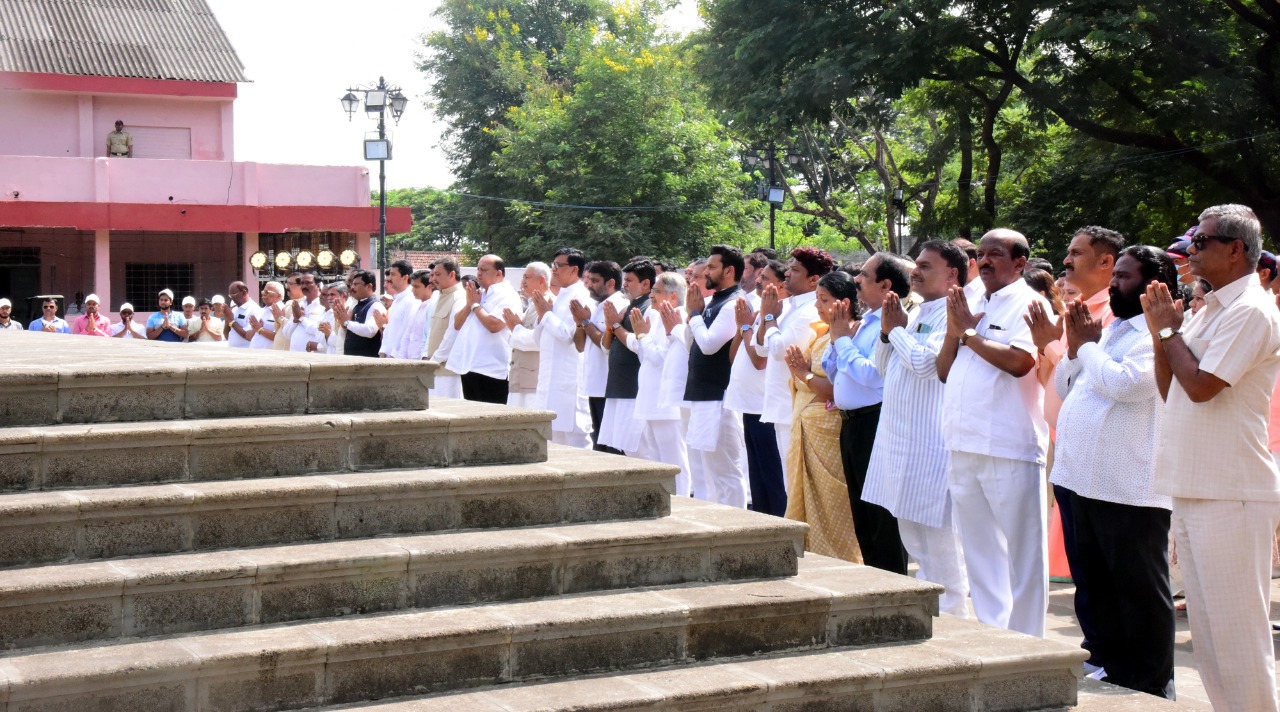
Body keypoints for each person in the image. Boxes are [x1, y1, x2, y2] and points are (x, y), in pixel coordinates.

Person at [1145, 204, 1280, 711]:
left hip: (1231, 492)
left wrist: (1165, 331)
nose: (1191, 250)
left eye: (1201, 242)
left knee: (1239, 639)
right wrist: (1167, 332)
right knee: (1211, 640)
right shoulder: (1212, 309)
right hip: (1197, 485)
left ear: (1236, 249)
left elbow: (1201, 388)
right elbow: (1171, 390)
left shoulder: (1251, 310)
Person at [1053, 244, 1178, 698]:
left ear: (1153, 285)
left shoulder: (1156, 335)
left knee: (1139, 589)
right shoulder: (1111, 328)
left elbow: (1127, 385)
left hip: (1129, 485)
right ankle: (1109, 662)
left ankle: (1151, 681)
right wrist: (1075, 350)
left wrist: (1086, 349)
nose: (1114, 284)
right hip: (1080, 478)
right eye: (1116, 276)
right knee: (1095, 582)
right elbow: (1067, 386)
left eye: (1124, 276)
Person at [938, 228, 1051, 638]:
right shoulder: (966, 299)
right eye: (981, 254)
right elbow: (944, 370)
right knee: (980, 551)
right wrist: (956, 333)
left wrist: (969, 333)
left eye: (995, 254)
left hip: (1009, 444)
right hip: (962, 442)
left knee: (1023, 554)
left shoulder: (1031, 303)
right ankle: (993, 634)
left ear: (1020, 262)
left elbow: (1022, 363)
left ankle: (1028, 642)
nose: (984, 261)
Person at [1026, 225, 1123, 666]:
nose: (1066, 262)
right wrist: (1050, 345)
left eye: (1076, 254)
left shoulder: (1111, 314)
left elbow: (1090, 377)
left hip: (1106, 456)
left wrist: (1050, 346)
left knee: (1110, 565)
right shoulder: (1076, 311)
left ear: (1107, 263)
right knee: (1087, 565)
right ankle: (1098, 650)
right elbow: (1056, 378)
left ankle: (1120, 658)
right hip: (1068, 448)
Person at [865, 240, 971, 616]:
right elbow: (884, 367)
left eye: (926, 266)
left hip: (931, 445)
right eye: (917, 265)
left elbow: (928, 366)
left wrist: (896, 331)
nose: (916, 271)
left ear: (952, 273)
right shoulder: (919, 311)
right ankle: (928, 615)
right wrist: (886, 333)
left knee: (942, 547)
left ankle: (954, 620)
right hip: (900, 441)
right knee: (914, 541)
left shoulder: (955, 312)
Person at [831, 252, 912, 574]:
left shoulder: (891, 323)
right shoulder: (865, 320)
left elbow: (872, 376)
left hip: (874, 421)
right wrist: (838, 340)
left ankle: (893, 581)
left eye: (864, 275)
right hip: (852, 423)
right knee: (861, 511)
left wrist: (841, 342)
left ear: (886, 284)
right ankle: (876, 578)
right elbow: (834, 367)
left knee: (881, 515)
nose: (856, 280)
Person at [782, 269, 862, 563]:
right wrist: (801, 372)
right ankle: (811, 553)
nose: (818, 306)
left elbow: (837, 388)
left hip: (829, 429)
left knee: (832, 500)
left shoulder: (850, 334)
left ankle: (842, 558)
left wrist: (803, 373)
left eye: (824, 299)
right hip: (808, 423)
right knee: (806, 495)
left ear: (844, 303)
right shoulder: (821, 332)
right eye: (817, 298)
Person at [756, 249, 833, 499]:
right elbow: (761, 347)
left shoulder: (811, 310)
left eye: (795, 270)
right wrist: (768, 318)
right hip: (781, 404)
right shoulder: (789, 308)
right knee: (790, 483)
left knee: (797, 485)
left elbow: (780, 350)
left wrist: (768, 316)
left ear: (814, 279)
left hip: (795, 408)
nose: (787, 273)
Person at [684, 245, 748, 507]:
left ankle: (737, 528)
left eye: (711, 267)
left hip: (719, 395)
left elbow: (709, 345)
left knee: (726, 471)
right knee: (709, 469)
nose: (705, 272)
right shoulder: (713, 301)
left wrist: (695, 315)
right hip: (703, 395)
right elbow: (692, 343)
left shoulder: (735, 302)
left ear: (729, 271)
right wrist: (693, 314)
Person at [727, 259, 785, 516]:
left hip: (765, 406)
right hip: (748, 405)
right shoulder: (760, 313)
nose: (758, 281)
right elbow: (733, 356)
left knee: (772, 476)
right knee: (757, 475)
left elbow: (760, 359)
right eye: (759, 276)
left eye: (766, 277)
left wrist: (747, 326)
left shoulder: (778, 314)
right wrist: (744, 326)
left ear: (781, 285)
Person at [519, 248, 594, 447]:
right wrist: (544, 315)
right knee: (552, 440)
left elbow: (568, 335)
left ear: (574, 270)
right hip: (549, 377)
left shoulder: (580, 296)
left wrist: (546, 314)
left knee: (576, 440)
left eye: (559, 266)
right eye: (553, 266)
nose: (554, 270)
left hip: (569, 379)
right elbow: (541, 337)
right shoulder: (560, 295)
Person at [633, 271, 692, 494]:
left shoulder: (677, 317)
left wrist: (642, 336)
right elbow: (647, 358)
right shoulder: (659, 317)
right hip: (652, 399)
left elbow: (660, 358)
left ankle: (681, 502)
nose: (651, 295)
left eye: (656, 291)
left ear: (673, 297)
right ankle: (664, 500)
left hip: (666, 403)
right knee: (658, 460)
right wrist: (643, 337)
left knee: (674, 461)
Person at [597, 259, 654, 454]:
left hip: (633, 388)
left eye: (629, 280)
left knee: (639, 450)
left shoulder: (647, 308)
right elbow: (605, 346)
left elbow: (639, 345)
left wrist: (615, 326)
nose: (625, 285)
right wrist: (611, 325)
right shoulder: (626, 308)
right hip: (618, 387)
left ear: (645, 284)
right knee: (623, 448)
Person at [573, 261, 628, 453]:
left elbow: (606, 344)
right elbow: (580, 345)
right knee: (599, 441)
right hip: (594, 385)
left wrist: (586, 321)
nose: (589, 285)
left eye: (595, 281)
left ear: (610, 283)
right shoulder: (597, 306)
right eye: (588, 280)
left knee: (611, 445)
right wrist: (581, 322)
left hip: (608, 386)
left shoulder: (618, 305)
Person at [450, 254, 522, 403]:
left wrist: (476, 305)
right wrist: (470, 304)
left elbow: (494, 325)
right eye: (478, 270)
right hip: (470, 365)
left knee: (491, 418)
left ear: (499, 273)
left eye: (484, 270)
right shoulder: (479, 294)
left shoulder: (508, 295)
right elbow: (457, 324)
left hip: (491, 369)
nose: (479, 274)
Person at [503, 262, 551, 408]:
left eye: (527, 277)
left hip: (533, 380)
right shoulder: (532, 304)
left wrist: (516, 328)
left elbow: (539, 339)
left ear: (541, 280)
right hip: (519, 376)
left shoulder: (548, 304)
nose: (522, 281)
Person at [424, 258, 465, 398]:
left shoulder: (460, 297)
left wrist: (435, 359)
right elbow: (431, 332)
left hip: (448, 371)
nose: (433, 279)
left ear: (452, 274)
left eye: (438, 274)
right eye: (433, 274)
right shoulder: (439, 296)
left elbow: (453, 334)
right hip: (434, 367)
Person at [335, 270, 386, 357]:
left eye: (356, 284)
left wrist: (347, 323)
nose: (352, 287)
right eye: (352, 284)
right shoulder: (357, 305)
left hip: (367, 363)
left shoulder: (375, 305)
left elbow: (370, 331)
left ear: (369, 286)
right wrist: (343, 325)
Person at [379, 260, 420, 358]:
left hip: (400, 359)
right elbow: (388, 329)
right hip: (388, 359)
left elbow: (405, 332)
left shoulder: (411, 300)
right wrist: (383, 352)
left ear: (405, 277)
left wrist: (394, 356)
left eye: (393, 275)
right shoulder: (396, 301)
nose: (389, 278)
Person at [283, 272, 325, 352]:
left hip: (313, 356)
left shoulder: (323, 306)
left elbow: (320, 331)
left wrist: (301, 318)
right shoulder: (299, 305)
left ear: (318, 285)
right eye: (302, 283)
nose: (304, 286)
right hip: (294, 355)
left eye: (308, 283)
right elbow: (286, 334)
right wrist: (295, 320)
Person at [247, 282, 283, 349]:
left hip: (270, 356)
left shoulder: (282, 311)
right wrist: (255, 329)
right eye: (263, 291)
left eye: (267, 292)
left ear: (278, 296)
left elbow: (280, 337)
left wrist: (260, 329)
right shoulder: (260, 311)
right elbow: (248, 336)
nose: (263, 294)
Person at [225, 281, 260, 348]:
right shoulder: (235, 309)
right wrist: (227, 318)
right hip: (232, 350)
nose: (232, 298)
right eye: (230, 296)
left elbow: (248, 336)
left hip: (245, 352)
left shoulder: (254, 309)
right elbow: (227, 333)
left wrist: (232, 321)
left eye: (234, 295)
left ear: (244, 293)